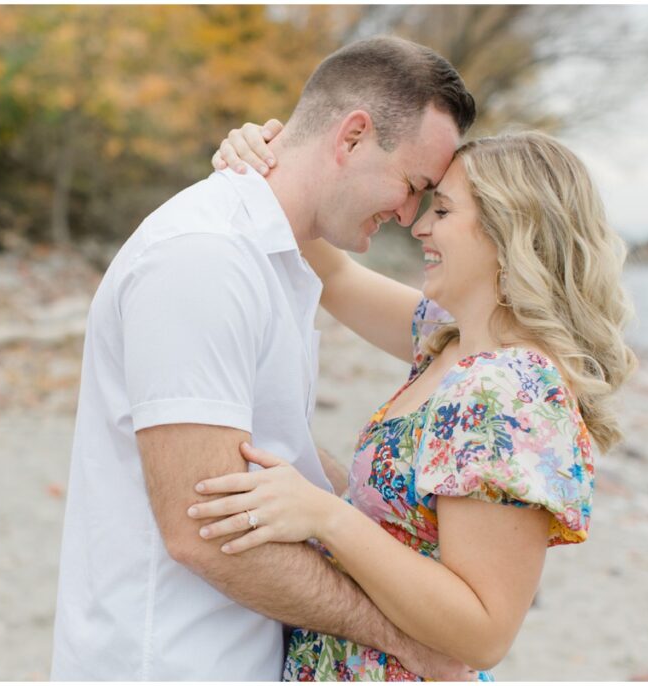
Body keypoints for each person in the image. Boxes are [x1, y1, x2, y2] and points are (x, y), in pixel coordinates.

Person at [50, 37, 479, 680]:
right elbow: (203, 531)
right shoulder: (205, 258)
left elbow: (272, 454)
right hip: (167, 660)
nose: (409, 215)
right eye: (414, 185)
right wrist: (403, 639)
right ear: (353, 136)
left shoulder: (280, 258)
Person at [193, 124, 637, 679]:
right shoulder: (447, 339)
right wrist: (262, 161)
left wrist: (327, 515)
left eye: (443, 212)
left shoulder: (509, 392)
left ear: (509, 230)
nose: (419, 226)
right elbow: (329, 272)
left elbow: (484, 631)